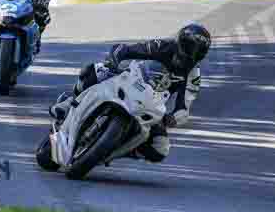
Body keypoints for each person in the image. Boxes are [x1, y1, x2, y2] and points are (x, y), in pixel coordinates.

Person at [49, 24, 212, 164]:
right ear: (179, 42)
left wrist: (173, 118)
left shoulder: (193, 75)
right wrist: (114, 61)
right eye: (188, 47)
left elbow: (184, 107)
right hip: (131, 80)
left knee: (160, 149)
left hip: (152, 105)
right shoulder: (162, 46)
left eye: (196, 51)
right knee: (95, 70)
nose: (190, 53)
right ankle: (69, 103)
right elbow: (125, 49)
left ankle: (118, 148)